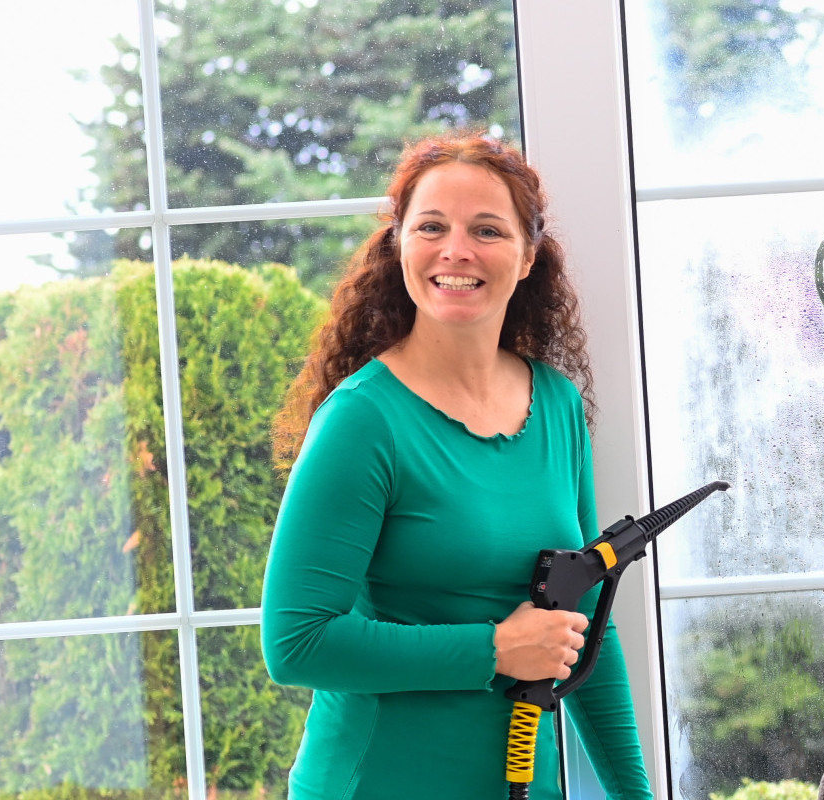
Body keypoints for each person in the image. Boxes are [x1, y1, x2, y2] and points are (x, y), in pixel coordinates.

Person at [260, 131, 650, 800]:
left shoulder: (554, 404)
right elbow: (297, 642)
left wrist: (634, 795)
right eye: (431, 226)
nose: (456, 251)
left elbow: (584, 620)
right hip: (374, 783)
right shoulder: (363, 421)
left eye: (487, 230)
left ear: (528, 256)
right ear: (399, 245)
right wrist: (493, 650)